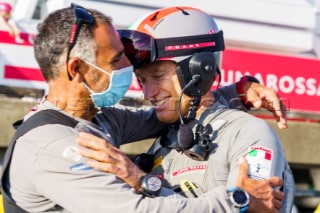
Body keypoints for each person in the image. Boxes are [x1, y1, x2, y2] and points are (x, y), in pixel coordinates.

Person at [1, 4, 285, 213]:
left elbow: (168, 112)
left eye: (156, 76)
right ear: (77, 70)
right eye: (116, 60)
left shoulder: (97, 121)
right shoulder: (58, 146)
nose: (127, 67)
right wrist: (239, 200)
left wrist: (236, 91)